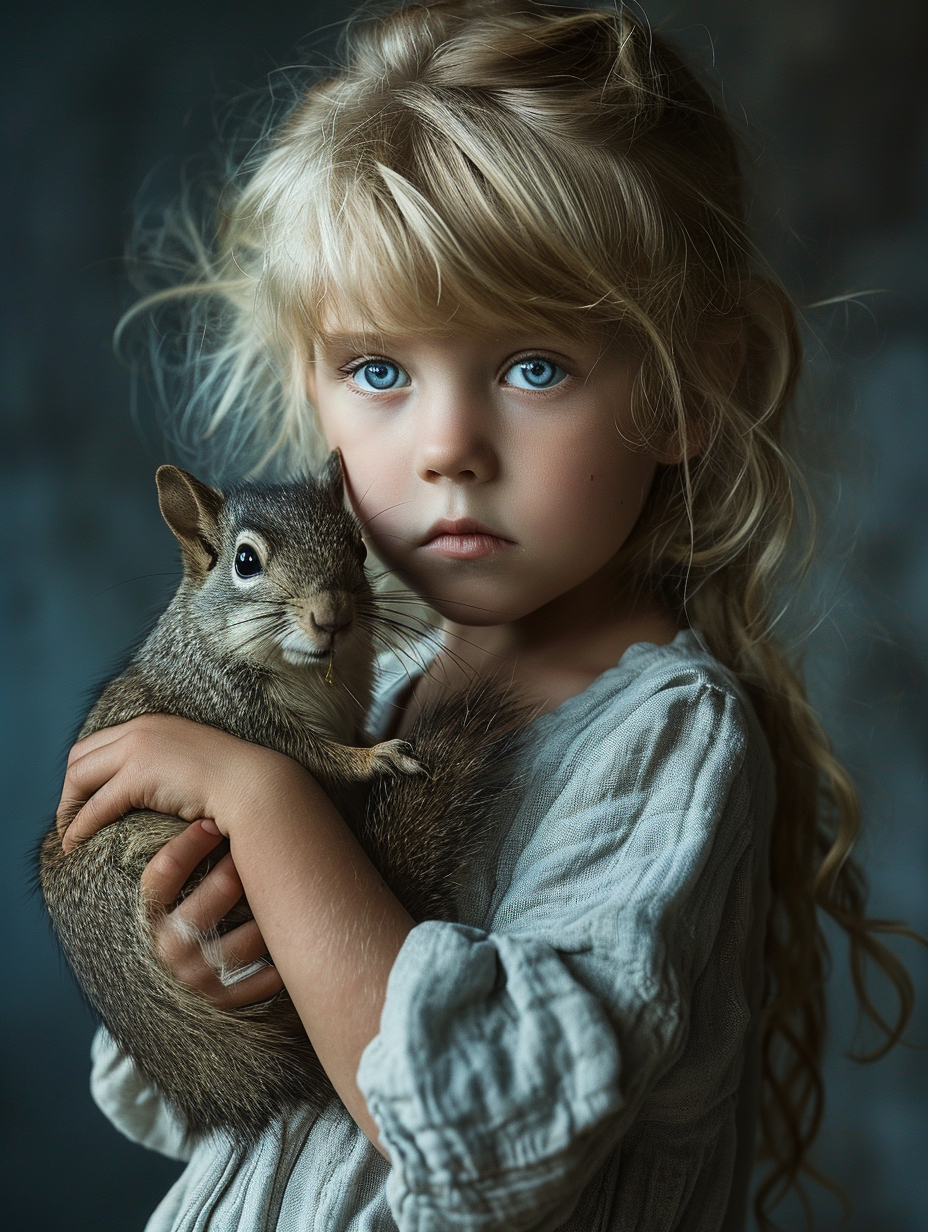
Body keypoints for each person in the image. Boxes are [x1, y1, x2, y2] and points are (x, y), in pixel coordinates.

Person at [55, 2, 919, 1229]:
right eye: (380, 371)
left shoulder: (664, 738)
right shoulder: (378, 682)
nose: (449, 448)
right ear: (317, 390)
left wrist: (264, 799)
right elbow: (212, 1099)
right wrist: (204, 977)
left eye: (533, 367)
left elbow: (489, 1138)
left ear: (684, 391)